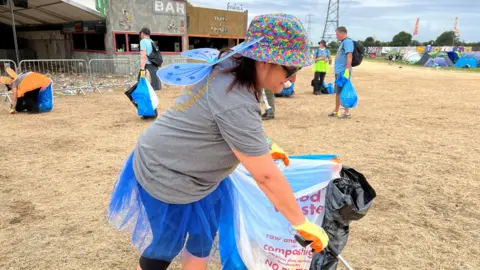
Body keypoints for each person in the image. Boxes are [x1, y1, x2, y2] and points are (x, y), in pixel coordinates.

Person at [107, 13, 328, 270]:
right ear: (266, 61)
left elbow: (221, 122)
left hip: (196, 173)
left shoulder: (235, 65)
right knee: (165, 245)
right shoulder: (234, 95)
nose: (293, 79)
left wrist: (263, 145)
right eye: (291, 69)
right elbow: (266, 177)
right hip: (166, 171)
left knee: (202, 237)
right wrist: (301, 223)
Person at [329, 26, 353, 119]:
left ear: (343, 33)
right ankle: (336, 110)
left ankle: (346, 113)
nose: (336, 36)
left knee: (344, 91)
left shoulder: (348, 42)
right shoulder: (342, 43)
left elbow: (349, 56)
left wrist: (347, 70)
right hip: (339, 71)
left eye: (337, 34)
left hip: (343, 71)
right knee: (338, 91)